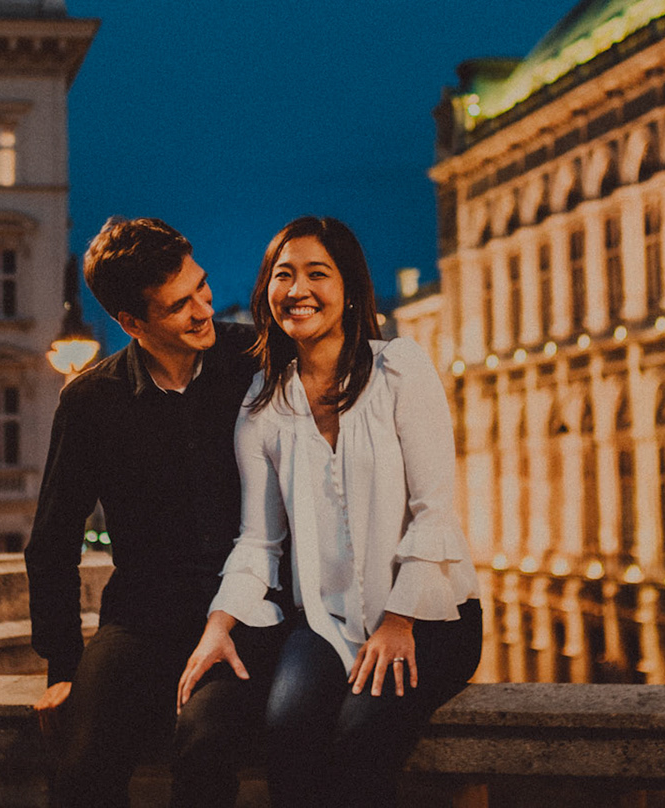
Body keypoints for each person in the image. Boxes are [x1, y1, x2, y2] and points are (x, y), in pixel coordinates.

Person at [177, 216, 481, 808]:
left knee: (360, 740)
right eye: (283, 275)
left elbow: (435, 512)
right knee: (286, 735)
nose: (298, 290)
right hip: (326, 621)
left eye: (318, 274)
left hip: (430, 616)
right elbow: (259, 541)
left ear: (350, 289)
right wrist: (218, 627)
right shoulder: (263, 404)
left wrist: (398, 622)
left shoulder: (400, 369)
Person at [26, 216, 283, 808]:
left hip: (244, 614)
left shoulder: (256, 359)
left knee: (203, 745)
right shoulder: (90, 400)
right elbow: (53, 541)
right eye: (179, 305)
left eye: (202, 286)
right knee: (80, 767)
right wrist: (62, 667)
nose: (204, 309)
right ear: (132, 323)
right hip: (141, 620)